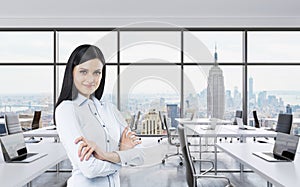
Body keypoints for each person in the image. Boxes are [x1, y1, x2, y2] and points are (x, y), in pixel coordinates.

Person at [55, 44, 144, 187]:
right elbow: (90, 169)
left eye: (97, 72)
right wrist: (123, 156)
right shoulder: (66, 110)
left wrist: (105, 156)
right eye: (83, 72)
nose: (91, 79)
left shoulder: (110, 109)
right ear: (71, 71)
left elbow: (140, 155)